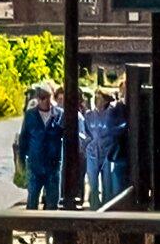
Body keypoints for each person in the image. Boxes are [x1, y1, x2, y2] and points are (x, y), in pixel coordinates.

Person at [11, 79, 70, 210]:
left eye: (45, 97)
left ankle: (51, 229)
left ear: (51, 97)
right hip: (34, 165)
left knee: (52, 202)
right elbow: (24, 138)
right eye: (40, 97)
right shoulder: (30, 115)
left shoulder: (60, 115)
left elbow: (67, 138)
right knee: (32, 200)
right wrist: (20, 160)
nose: (43, 100)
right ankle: (31, 229)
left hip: (53, 166)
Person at [83, 82, 128, 206]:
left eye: (99, 98)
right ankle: (94, 208)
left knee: (107, 185)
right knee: (93, 184)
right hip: (93, 153)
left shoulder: (111, 113)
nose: (97, 101)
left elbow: (116, 130)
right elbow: (85, 131)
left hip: (107, 152)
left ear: (105, 100)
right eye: (96, 98)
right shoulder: (90, 115)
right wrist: (87, 143)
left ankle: (106, 209)